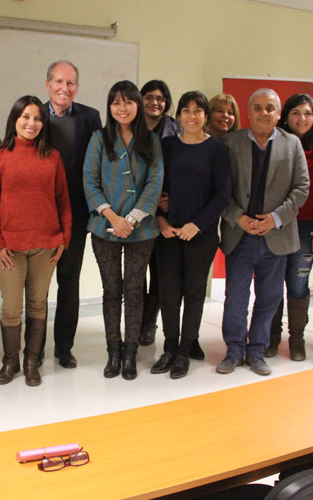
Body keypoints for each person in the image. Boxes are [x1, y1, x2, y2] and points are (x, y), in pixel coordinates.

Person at [218, 88, 309, 377]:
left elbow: (301, 188)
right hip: (240, 235)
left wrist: (276, 218)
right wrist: (238, 218)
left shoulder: (292, 144)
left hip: (276, 237)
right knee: (235, 299)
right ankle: (234, 351)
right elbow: (220, 189)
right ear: (249, 111)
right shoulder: (230, 143)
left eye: (270, 107)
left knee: (269, 298)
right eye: (257, 107)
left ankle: (257, 351)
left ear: (278, 113)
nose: (263, 112)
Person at [0, 95, 72, 386]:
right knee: (11, 308)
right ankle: (11, 361)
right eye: (25, 117)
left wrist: (64, 237)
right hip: (10, 248)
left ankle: (32, 361)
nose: (31, 123)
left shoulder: (52, 156)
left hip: (45, 245)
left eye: (37, 118)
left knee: (38, 304)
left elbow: (63, 201)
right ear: (15, 120)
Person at [84, 80, 163, 381]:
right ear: (110, 107)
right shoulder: (98, 139)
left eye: (128, 101)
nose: (122, 107)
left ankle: (130, 353)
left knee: (134, 289)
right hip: (104, 226)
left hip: (141, 229)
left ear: (137, 105)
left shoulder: (151, 140)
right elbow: (90, 182)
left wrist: (131, 219)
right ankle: (113, 352)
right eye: (116, 102)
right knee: (111, 290)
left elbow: (155, 181)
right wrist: (114, 218)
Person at [151, 91, 231, 379]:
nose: (192, 116)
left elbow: (223, 194)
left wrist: (196, 225)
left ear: (206, 116)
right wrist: (160, 219)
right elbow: (158, 186)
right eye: (186, 110)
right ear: (179, 115)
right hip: (169, 232)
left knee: (194, 293)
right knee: (169, 293)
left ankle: (185, 351)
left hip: (201, 234)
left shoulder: (217, 150)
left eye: (198, 111)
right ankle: (169, 348)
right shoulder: (168, 145)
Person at [265, 94, 313, 361]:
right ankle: (272, 337)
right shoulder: (275, 144)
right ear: (286, 116)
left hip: (306, 228)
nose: (302, 119)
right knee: (272, 283)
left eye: (307, 113)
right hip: (277, 223)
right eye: (296, 113)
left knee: (298, 284)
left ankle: (296, 339)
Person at [43, 60, 102, 369]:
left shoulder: (91, 118)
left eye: (70, 82)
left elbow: (96, 165)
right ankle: (34, 348)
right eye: (58, 81)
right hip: (39, 218)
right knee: (36, 289)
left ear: (77, 87)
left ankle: (63, 348)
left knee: (69, 284)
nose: (64, 88)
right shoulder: (33, 115)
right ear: (48, 84)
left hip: (75, 217)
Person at [138, 80, 181, 353]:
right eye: (149, 97)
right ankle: (137, 319)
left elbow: (183, 170)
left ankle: (149, 322)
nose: (155, 102)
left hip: (165, 211)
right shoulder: (130, 127)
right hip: (135, 209)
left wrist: (171, 198)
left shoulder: (175, 130)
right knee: (135, 272)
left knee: (159, 270)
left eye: (161, 98)